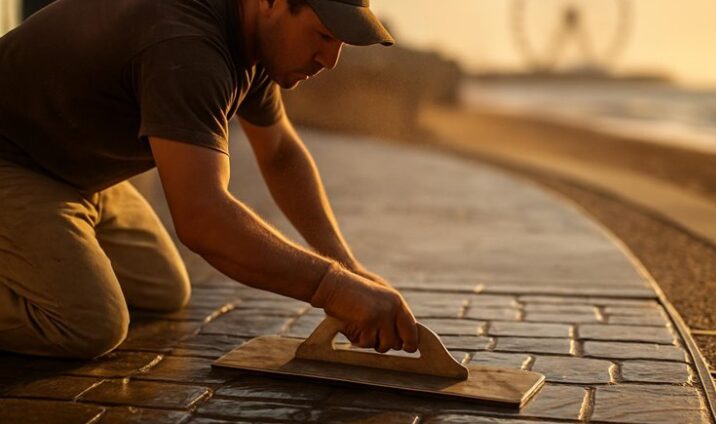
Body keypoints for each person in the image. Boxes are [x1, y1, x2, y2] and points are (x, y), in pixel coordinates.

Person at [0, 0, 419, 359]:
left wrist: (349, 269)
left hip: (73, 171)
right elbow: (203, 219)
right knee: (88, 324)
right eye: (324, 36)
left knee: (160, 289)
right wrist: (333, 290)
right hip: (14, 159)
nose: (330, 60)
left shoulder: (252, 45)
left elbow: (280, 155)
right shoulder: (187, 44)